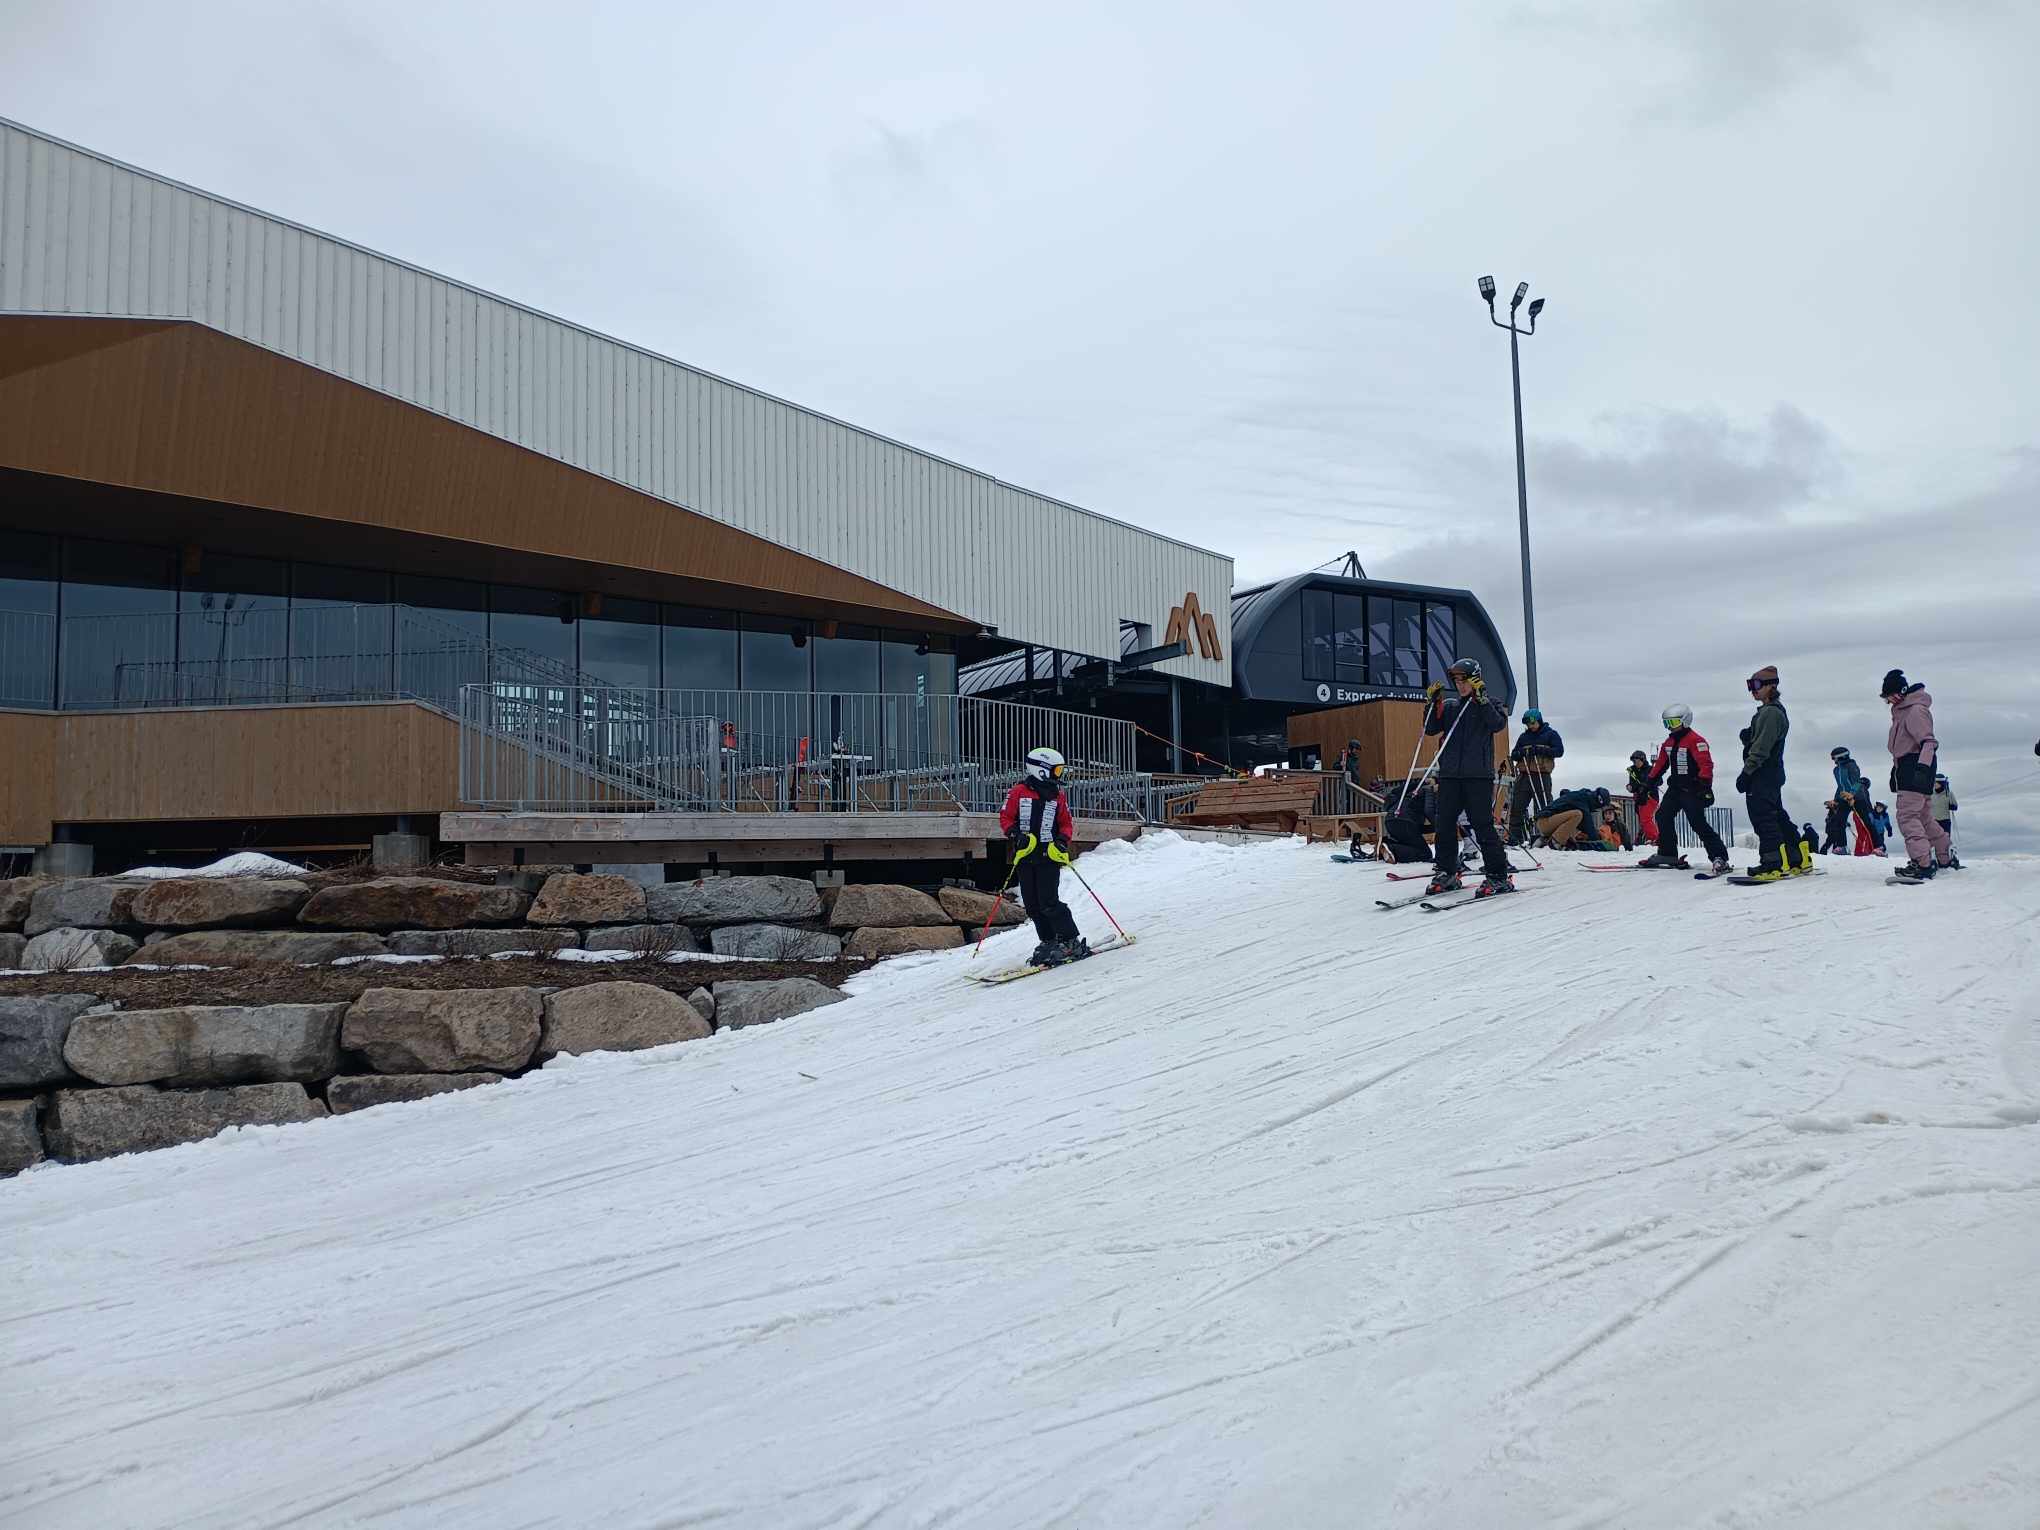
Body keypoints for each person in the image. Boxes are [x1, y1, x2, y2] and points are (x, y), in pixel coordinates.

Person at [1421, 658, 1514, 898]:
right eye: (1457, 681)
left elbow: (1496, 724)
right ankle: (1446, 870)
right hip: (1451, 775)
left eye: (1464, 680)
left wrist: (1481, 700)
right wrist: (1432, 703)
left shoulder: (1490, 703)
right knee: (1444, 823)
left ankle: (1497, 874)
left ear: (1475, 679)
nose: (1460, 685)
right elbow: (1430, 728)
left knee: (1481, 824)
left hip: (1478, 776)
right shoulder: (1451, 707)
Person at [999, 746, 1089, 965]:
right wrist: (1014, 834)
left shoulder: (1057, 795)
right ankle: (1048, 940)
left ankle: (1069, 940)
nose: (1059, 776)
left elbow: (1066, 822)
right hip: (1026, 855)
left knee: (1049, 901)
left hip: (1048, 856)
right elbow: (1006, 817)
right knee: (1032, 905)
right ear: (1041, 769)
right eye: (1056, 771)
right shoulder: (1019, 792)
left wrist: (1061, 841)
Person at [1735, 664, 1809, 881]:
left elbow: (1761, 749)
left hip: (1762, 773)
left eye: (1756, 685)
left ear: (1771, 686)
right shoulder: (1770, 712)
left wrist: (1746, 773)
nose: (1752, 690)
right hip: (1772, 773)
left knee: (1763, 818)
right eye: (1750, 685)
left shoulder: (1770, 713)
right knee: (1778, 816)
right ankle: (1799, 859)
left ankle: (1772, 864)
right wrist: (1749, 736)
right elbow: (1761, 740)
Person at [1638, 704, 1732, 874]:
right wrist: (1646, 786)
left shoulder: (1696, 741)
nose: (1670, 727)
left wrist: (1705, 786)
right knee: (1662, 816)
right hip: (1675, 789)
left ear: (1685, 721)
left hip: (1693, 789)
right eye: (1666, 724)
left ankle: (1719, 857)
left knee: (1697, 823)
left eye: (1673, 723)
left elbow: (1706, 764)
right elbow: (1659, 766)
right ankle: (1668, 853)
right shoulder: (1669, 743)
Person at [1882, 668, 1956, 881]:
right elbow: (1902, 746)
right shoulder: (1904, 710)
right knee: (1923, 816)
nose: (1888, 701)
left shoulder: (1915, 710)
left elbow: (1928, 742)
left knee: (1907, 816)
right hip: (1908, 766)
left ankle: (1922, 863)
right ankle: (1944, 856)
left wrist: (1921, 769)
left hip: (1915, 766)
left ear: (1901, 692)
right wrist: (1895, 771)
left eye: (1891, 696)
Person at [1505, 709, 1565, 845]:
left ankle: (1545, 837)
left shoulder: (1550, 734)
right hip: (1525, 775)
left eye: (1532, 722)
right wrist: (1521, 753)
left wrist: (1542, 750)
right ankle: (1515, 839)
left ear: (1539, 720)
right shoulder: (1524, 737)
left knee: (1544, 807)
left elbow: (1559, 751)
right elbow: (1514, 754)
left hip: (1542, 774)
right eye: (1527, 723)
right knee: (1517, 807)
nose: (1530, 726)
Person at [1829, 747, 1886, 855]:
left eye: (1834, 758)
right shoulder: (1836, 770)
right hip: (1844, 799)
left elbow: (1857, 782)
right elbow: (1840, 787)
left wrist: (1852, 794)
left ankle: (1879, 847)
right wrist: (1836, 800)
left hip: (1857, 798)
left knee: (1866, 822)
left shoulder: (1851, 765)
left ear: (1841, 756)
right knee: (1839, 821)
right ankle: (1842, 846)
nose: (1833, 761)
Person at [1533, 785, 1611, 849]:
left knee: (1577, 820)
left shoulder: (1582, 797)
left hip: (1547, 823)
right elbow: (1588, 826)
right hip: (1544, 822)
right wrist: (1601, 842)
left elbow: (1583, 826)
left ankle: (1544, 840)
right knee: (1577, 814)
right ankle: (1555, 842)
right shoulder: (1583, 800)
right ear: (1599, 801)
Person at [1379, 777, 1435, 864]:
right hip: (1405, 822)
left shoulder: (1409, 791)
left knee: (1410, 845)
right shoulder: (1428, 790)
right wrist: (1440, 825)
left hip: (1391, 820)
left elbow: (1417, 829)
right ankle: (1392, 849)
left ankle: (1386, 846)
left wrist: (1435, 828)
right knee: (1425, 854)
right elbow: (1429, 810)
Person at [1626, 750, 1660, 843]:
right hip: (1639, 798)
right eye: (1634, 761)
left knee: (1645, 818)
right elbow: (1632, 784)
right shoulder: (1632, 771)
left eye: (1637, 761)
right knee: (1643, 819)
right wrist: (1631, 787)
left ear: (1643, 760)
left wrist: (1646, 785)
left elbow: (1659, 781)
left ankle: (1655, 838)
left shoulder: (1650, 769)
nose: (1635, 763)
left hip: (1650, 797)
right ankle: (1647, 838)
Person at [1930, 774, 1960, 863]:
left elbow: (1955, 806)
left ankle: (1946, 860)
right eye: (1934, 782)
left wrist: (1952, 806)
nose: (1935, 784)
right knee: (1933, 841)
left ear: (1942, 784)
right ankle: (1934, 859)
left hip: (1945, 821)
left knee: (1945, 841)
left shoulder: (1948, 793)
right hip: (1933, 821)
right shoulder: (1931, 793)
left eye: (1937, 783)